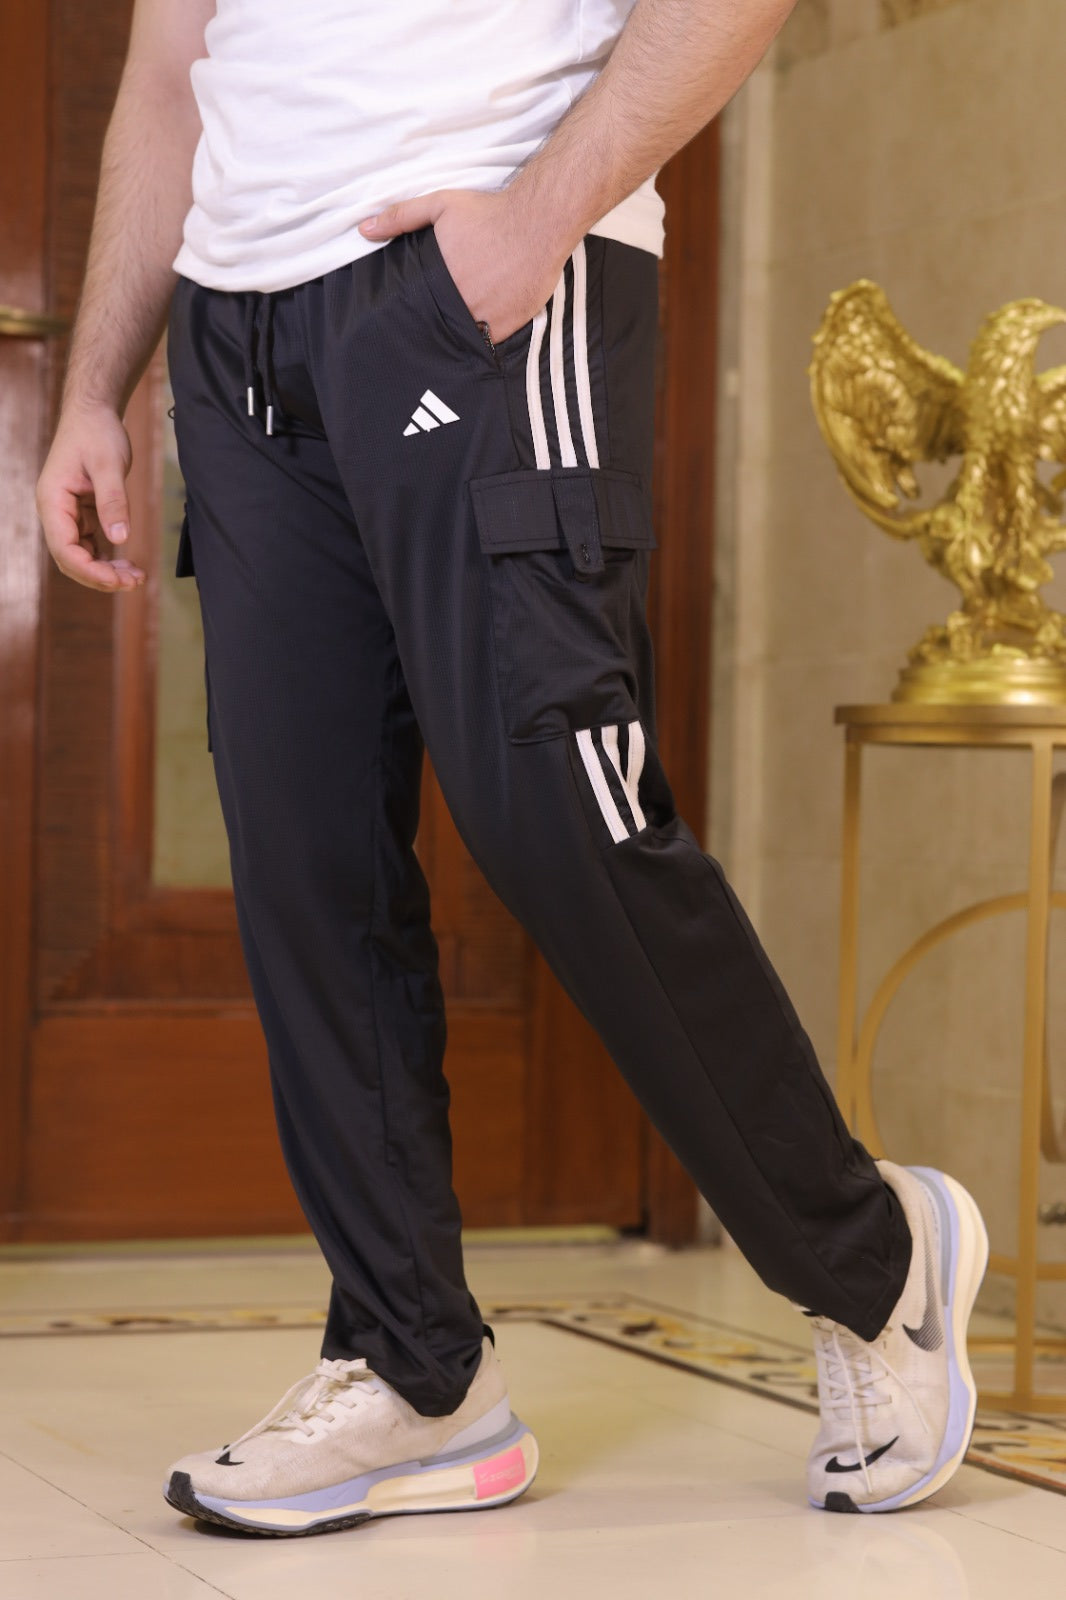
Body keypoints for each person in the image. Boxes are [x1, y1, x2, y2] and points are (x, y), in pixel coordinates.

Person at [36, 0, 988, 1538]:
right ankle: (415, 1371)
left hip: (478, 274)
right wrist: (96, 384)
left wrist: (537, 217)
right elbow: (166, 71)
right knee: (303, 857)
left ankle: (870, 1260)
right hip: (238, 336)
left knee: (559, 815)